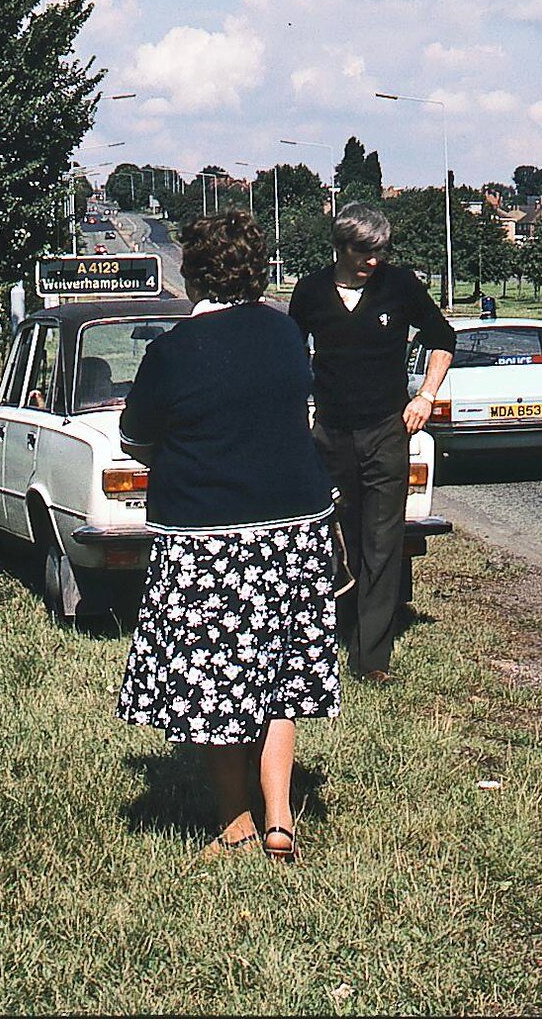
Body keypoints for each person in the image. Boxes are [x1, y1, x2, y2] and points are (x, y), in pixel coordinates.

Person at [117, 211, 343, 861]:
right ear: (256, 269)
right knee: (277, 673)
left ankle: (235, 822)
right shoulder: (285, 336)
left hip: (206, 538)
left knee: (219, 678)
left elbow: (136, 438)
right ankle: (280, 819)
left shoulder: (171, 351)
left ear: (190, 272)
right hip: (293, 531)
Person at [289, 204, 455, 684]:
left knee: (382, 543)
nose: (373, 262)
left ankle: (371, 660)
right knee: (334, 541)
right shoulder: (310, 291)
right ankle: (326, 631)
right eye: (365, 252)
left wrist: (425, 395)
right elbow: (293, 355)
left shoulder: (399, 285)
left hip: (386, 431)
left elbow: (442, 336)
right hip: (330, 435)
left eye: (380, 252)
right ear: (341, 247)